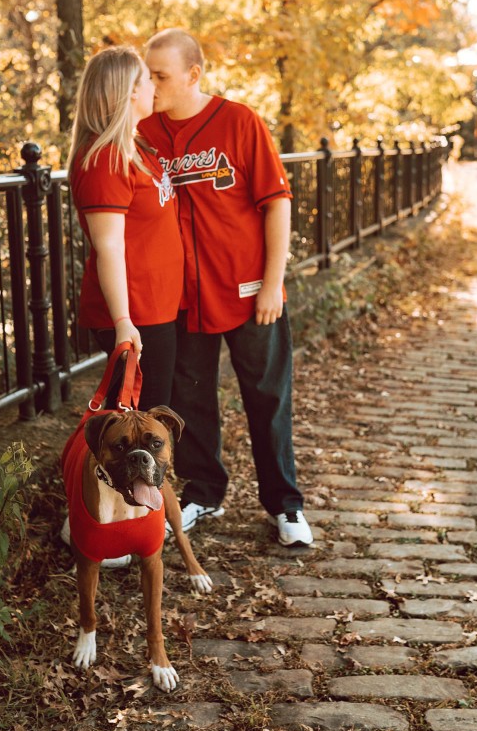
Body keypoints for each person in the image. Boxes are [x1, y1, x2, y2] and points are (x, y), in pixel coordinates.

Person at [138, 28, 313, 548]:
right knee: (191, 404)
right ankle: (204, 494)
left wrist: (272, 283)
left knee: (267, 399)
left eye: (160, 75)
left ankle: (285, 506)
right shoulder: (144, 132)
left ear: (193, 75)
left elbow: (276, 202)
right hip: (183, 298)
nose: (151, 83)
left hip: (247, 290)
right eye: (146, 74)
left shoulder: (240, 122)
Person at [63, 45, 185, 564]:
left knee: (141, 433)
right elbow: (108, 246)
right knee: (120, 438)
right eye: (144, 79)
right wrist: (122, 322)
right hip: (134, 318)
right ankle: (97, 531)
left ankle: (133, 522)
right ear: (124, 91)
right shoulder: (104, 158)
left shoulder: (138, 147)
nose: (153, 86)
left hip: (158, 309)